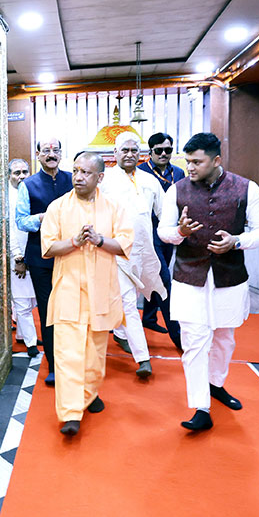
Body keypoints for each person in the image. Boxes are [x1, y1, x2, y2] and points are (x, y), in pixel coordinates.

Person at [158, 132, 259, 431]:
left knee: (224, 338)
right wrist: (180, 232)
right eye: (188, 161)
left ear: (217, 160)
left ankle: (216, 384)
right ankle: (201, 407)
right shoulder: (176, 190)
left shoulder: (246, 188)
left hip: (230, 276)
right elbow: (163, 231)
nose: (190, 167)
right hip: (188, 276)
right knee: (194, 340)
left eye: (197, 162)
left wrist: (237, 241)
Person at [41, 152, 134, 436]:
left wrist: (99, 240)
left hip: (101, 292)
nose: (78, 177)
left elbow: (125, 244)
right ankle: (71, 413)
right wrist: (74, 241)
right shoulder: (58, 207)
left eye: (85, 172)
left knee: (94, 355)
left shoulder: (114, 207)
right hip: (69, 291)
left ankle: (89, 394)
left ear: (99, 177)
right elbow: (48, 248)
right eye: (75, 171)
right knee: (67, 354)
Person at [99, 132, 166, 378]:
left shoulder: (150, 180)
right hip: (116, 251)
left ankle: (119, 334)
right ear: (115, 153)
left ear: (141, 154)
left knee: (133, 296)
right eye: (124, 150)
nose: (129, 154)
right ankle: (143, 358)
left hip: (144, 252)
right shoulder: (105, 180)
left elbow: (164, 213)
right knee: (129, 303)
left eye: (134, 150)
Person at [16, 137, 73, 385]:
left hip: (72, 254)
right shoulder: (28, 185)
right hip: (41, 258)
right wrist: (42, 218)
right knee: (49, 311)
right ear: (38, 154)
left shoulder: (72, 179)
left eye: (55, 150)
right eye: (46, 151)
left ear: (61, 153)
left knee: (72, 310)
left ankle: (73, 360)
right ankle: (53, 363)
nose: (51, 154)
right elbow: (21, 221)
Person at [138, 132, 185, 348]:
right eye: (159, 150)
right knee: (164, 278)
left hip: (171, 231)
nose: (164, 154)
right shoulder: (141, 172)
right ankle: (178, 335)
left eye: (168, 150)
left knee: (158, 274)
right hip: (149, 232)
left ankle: (149, 318)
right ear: (150, 152)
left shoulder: (179, 173)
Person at [8, 159, 39, 357]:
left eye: (25, 172)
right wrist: (18, 258)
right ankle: (31, 343)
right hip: (17, 256)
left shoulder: (29, 192)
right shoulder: (8, 198)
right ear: (9, 175)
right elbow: (10, 231)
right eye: (16, 173)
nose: (21, 176)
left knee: (31, 299)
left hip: (33, 253)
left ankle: (22, 334)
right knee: (22, 301)